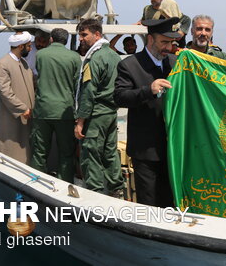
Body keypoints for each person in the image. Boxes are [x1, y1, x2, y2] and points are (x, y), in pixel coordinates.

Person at [114, 17, 181, 207]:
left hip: (172, 149)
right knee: (149, 201)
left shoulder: (175, 62)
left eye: (171, 42)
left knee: (171, 201)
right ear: (150, 39)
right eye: (164, 42)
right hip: (146, 150)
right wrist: (147, 90)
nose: (168, 47)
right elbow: (120, 97)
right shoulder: (129, 65)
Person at [74, 19, 124, 197]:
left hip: (96, 115)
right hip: (111, 114)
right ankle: (116, 189)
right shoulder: (114, 56)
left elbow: (88, 92)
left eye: (84, 34)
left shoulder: (94, 59)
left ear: (97, 34)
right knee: (110, 153)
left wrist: (80, 122)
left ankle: (94, 193)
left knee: (91, 154)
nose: (81, 39)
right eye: (80, 35)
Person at [30, 28, 81, 182]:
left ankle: (37, 182)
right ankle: (65, 183)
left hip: (43, 110)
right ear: (65, 41)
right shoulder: (75, 57)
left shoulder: (41, 54)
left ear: (51, 39)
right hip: (65, 111)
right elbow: (75, 83)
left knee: (39, 151)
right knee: (66, 151)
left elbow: (39, 74)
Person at [0, 32, 35, 163]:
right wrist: (22, 108)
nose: (31, 48)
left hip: (27, 114)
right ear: (21, 46)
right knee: (12, 146)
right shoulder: (2, 64)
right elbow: (5, 92)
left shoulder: (24, 62)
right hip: (12, 115)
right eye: (29, 46)